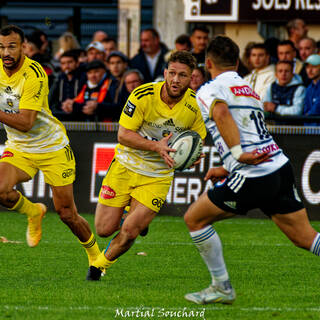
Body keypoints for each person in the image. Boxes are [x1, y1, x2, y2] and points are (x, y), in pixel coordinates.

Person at [183, 35, 320, 305]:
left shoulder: (209, 90)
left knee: (194, 219)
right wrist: (228, 165)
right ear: (238, 62)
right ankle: (220, 288)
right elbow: (250, 131)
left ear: (208, 62)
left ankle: (221, 287)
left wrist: (237, 155)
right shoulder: (248, 88)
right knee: (305, 238)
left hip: (254, 173)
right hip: (278, 166)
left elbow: (221, 114)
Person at [86, 50, 207, 281]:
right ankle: (132, 214)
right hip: (125, 165)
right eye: (172, 73)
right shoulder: (143, 95)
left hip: (158, 175)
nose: (175, 80)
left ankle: (97, 268)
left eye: (182, 75)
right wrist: (156, 147)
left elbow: (197, 142)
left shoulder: (195, 106)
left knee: (130, 230)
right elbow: (123, 135)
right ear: (164, 73)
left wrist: (193, 156)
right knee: (103, 229)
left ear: (191, 78)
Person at [0, 25, 101, 268]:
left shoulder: (35, 74)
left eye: (12, 46)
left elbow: (25, 122)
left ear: (24, 47)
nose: (6, 52)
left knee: (67, 214)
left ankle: (96, 256)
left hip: (52, 148)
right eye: (1, 47)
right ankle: (33, 211)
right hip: (20, 147)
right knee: (0, 189)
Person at [49, 50, 87, 120]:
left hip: (79, 115)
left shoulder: (84, 78)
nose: (66, 66)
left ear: (77, 63)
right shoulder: (58, 79)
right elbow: (52, 100)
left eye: (70, 62)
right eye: (63, 63)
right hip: (60, 114)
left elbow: (85, 97)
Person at [303, 54, 320, 122]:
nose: (309, 70)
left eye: (314, 67)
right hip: (309, 129)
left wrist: (308, 115)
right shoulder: (309, 88)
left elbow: (317, 109)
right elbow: (305, 110)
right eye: (307, 67)